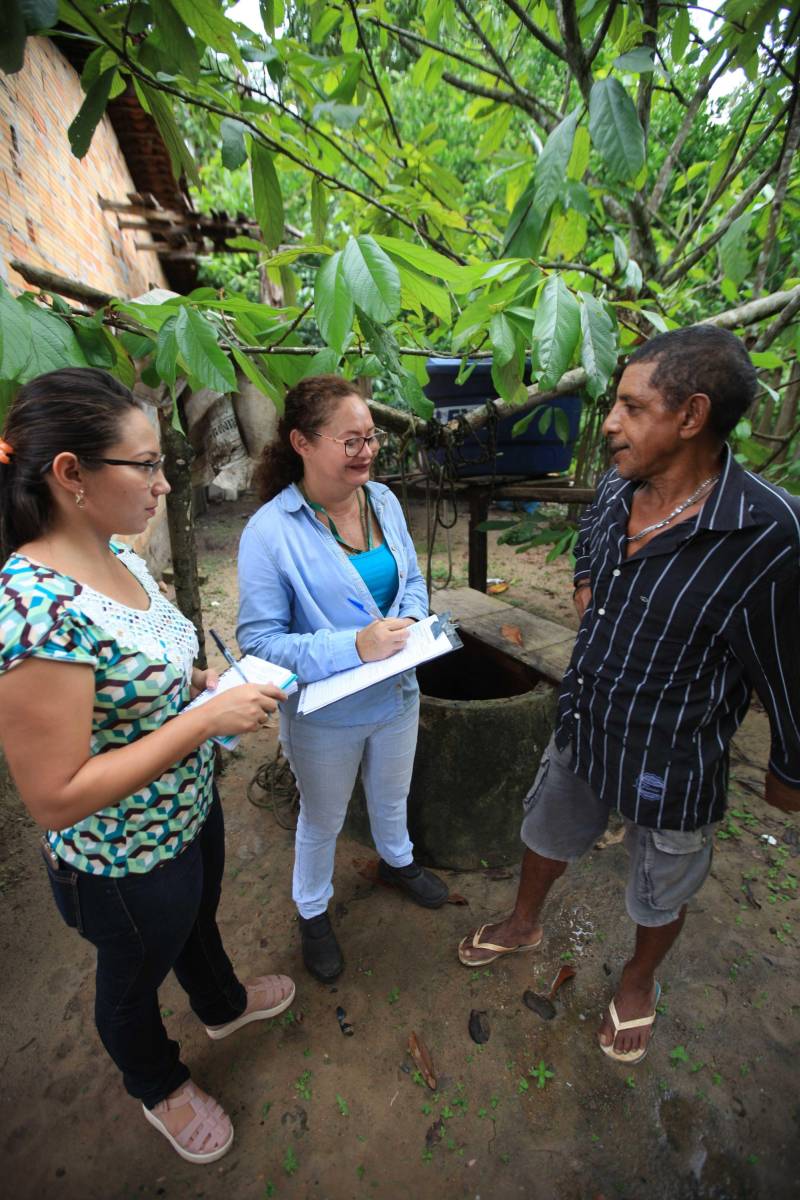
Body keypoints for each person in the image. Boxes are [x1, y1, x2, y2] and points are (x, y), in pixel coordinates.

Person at [458, 325, 800, 1063]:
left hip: (675, 757)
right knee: (545, 831)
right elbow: (592, 536)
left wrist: (789, 769)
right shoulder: (619, 482)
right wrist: (587, 583)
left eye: (629, 406)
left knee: (662, 884)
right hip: (588, 714)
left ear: (691, 415)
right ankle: (524, 923)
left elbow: (789, 665)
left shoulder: (768, 532)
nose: (609, 422)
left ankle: (639, 980)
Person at [0, 368, 295, 1164]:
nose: (166, 483)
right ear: (71, 474)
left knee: (198, 918)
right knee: (133, 980)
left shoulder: (116, 555)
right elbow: (56, 797)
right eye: (147, 465)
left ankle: (222, 1003)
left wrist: (199, 683)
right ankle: (158, 1084)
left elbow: (144, 671)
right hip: (119, 860)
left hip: (186, 810)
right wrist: (202, 719)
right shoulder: (36, 612)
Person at [237, 374, 448, 982]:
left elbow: (410, 577)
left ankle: (397, 862)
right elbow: (259, 642)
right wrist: (354, 645)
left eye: (371, 438)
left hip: (399, 692)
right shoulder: (271, 533)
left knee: (390, 796)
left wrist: (408, 615)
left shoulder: (382, 501)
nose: (367, 451)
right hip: (326, 714)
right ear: (302, 443)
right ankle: (311, 910)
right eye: (350, 440)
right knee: (324, 818)